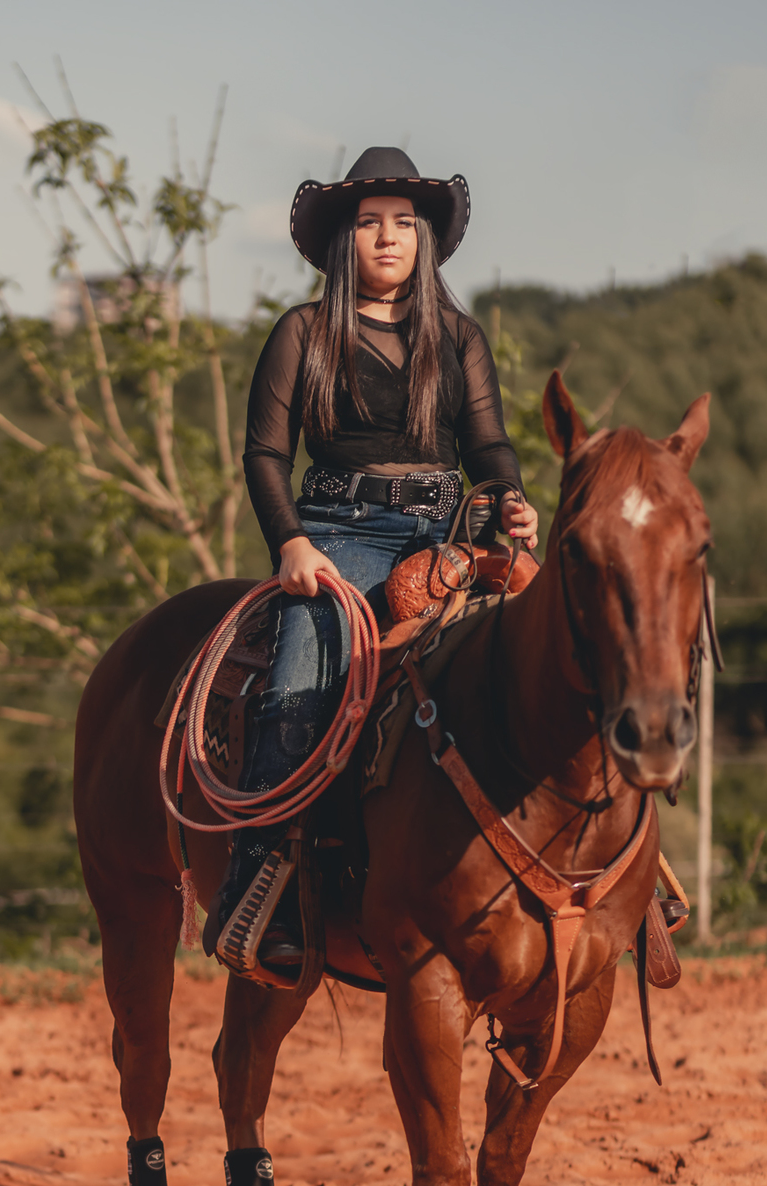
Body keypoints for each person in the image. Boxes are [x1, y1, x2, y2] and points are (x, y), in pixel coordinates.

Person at [210, 146, 539, 972]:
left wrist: (510, 498)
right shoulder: (303, 333)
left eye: (403, 223)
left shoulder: (457, 337)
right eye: (368, 225)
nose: (388, 238)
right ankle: (262, 892)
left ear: (425, 238)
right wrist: (290, 544)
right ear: (341, 244)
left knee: (558, 657)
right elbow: (263, 455)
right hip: (337, 536)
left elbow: (489, 444)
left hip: (448, 536)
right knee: (295, 687)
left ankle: (625, 885)